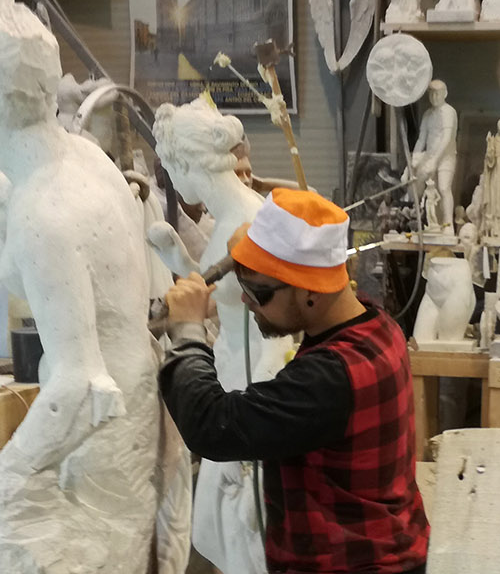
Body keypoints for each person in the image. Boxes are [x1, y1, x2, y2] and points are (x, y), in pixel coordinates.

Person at [160, 188, 430, 574]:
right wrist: (253, 251)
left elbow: (211, 425)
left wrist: (187, 330)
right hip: (391, 546)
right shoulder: (378, 324)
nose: (248, 301)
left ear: (309, 293)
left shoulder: (327, 380)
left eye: (259, 292)